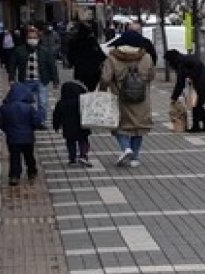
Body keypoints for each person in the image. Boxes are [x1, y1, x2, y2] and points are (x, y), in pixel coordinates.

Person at [99, 29, 155, 168]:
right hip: (141, 99)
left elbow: (105, 78)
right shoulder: (146, 57)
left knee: (120, 126)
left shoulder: (112, 58)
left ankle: (126, 148)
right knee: (139, 127)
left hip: (120, 98)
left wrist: (102, 90)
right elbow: (151, 76)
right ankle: (134, 157)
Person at [0, 82, 44, 185]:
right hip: (27, 137)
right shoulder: (29, 108)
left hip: (12, 137)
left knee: (14, 156)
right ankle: (32, 172)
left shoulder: (4, 107)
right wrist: (32, 128)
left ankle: (14, 176)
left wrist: (7, 129)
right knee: (29, 155)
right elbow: (36, 122)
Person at [165, 49, 205, 133]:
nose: (168, 64)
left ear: (172, 59)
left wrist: (174, 97)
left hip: (204, 85)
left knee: (196, 105)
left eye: (168, 61)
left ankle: (198, 126)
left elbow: (180, 83)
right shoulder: (185, 59)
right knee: (198, 105)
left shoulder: (181, 64)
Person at [10, 26, 59, 124]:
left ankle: (41, 121)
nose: (32, 40)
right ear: (26, 39)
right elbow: (13, 64)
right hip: (25, 81)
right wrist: (11, 78)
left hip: (41, 80)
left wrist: (55, 80)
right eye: (30, 38)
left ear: (38, 38)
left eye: (34, 38)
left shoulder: (45, 51)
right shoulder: (19, 50)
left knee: (43, 103)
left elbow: (52, 65)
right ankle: (27, 121)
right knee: (25, 102)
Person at [52, 80, 92, 167]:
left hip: (68, 127)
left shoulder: (61, 103)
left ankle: (72, 158)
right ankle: (83, 155)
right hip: (82, 126)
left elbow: (56, 116)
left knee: (70, 143)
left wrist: (56, 126)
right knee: (83, 140)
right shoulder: (81, 102)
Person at [67, 22, 105, 91]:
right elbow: (100, 55)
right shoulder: (91, 40)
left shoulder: (73, 41)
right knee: (92, 90)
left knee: (81, 90)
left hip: (80, 72)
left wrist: (72, 63)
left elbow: (70, 56)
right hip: (93, 72)